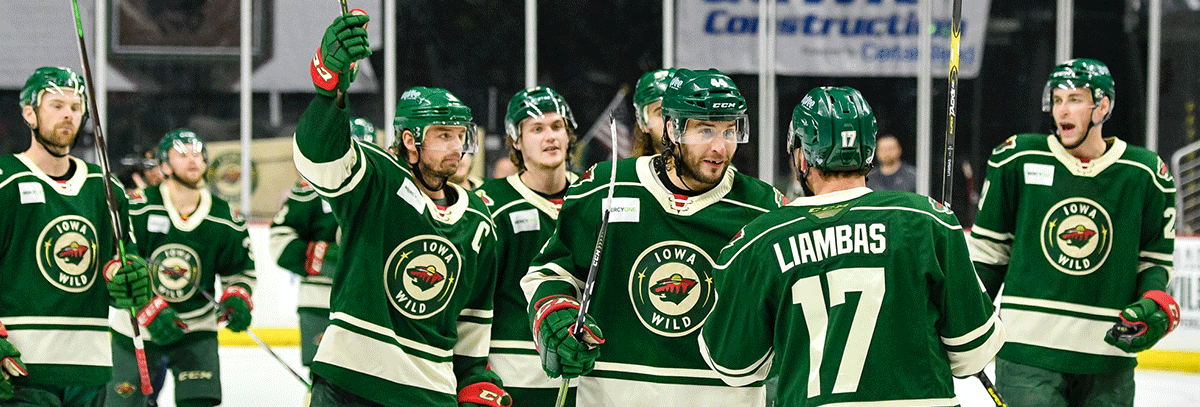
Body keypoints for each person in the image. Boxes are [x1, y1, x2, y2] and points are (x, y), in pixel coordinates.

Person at [699, 86, 1004, 406]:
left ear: (801, 156)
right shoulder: (926, 221)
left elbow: (733, 367)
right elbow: (974, 352)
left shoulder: (759, 240)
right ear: (868, 152)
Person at [522, 68, 785, 407]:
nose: (720, 147)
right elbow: (551, 272)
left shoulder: (765, 208)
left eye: (730, 130)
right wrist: (555, 315)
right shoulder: (607, 186)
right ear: (673, 129)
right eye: (705, 130)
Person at [296, 13, 508, 407]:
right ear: (410, 139)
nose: (456, 148)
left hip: (428, 391)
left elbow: (472, 320)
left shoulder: (479, 221)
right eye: (443, 135)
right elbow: (319, 161)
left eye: (460, 136)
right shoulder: (378, 177)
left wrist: (475, 379)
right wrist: (330, 92)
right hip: (349, 381)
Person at [968, 58, 1179, 407]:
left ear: (1103, 106)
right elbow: (989, 256)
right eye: (1057, 99)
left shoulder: (1144, 174)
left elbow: (1153, 261)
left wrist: (1151, 302)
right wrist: (962, 318)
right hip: (1027, 355)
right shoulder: (1016, 159)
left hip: (1109, 356)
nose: (1062, 110)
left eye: (1075, 99)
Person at [0, 66, 152, 406]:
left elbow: (119, 262)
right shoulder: (4, 180)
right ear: (29, 113)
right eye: (56, 105)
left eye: (76, 106)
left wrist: (130, 278)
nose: (68, 114)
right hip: (20, 367)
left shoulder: (107, 188)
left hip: (90, 367)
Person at [108, 129, 257, 407]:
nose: (193, 160)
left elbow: (241, 270)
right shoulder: (138, 207)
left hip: (197, 326)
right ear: (164, 165)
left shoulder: (225, 218)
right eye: (182, 154)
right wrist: (147, 307)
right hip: (136, 328)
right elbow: (120, 264)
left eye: (198, 153)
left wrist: (237, 297)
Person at [475, 87, 580, 406]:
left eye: (557, 126)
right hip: (511, 381)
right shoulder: (490, 204)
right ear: (516, 141)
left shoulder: (594, 197)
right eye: (537, 129)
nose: (550, 136)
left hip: (586, 379)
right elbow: (473, 301)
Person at [269, 117, 375, 378]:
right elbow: (279, 240)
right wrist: (322, 258)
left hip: (373, 304)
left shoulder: (385, 189)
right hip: (320, 303)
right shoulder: (311, 190)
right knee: (323, 382)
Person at [630, 68, 675, 157]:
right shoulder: (631, 170)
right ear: (644, 123)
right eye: (661, 113)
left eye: (678, 111)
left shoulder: (706, 168)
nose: (672, 121)